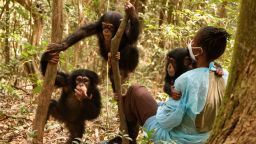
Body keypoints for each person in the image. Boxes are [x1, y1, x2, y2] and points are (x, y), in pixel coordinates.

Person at [106, 26, 230, 144]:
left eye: (193, 41)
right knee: (133, 98)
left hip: (173, 139)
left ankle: (127, 139)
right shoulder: (226, 75)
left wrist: (160, 107)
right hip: (205, 138)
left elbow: (167, 121)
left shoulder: (186, 79)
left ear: (198, 52)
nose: (190, 43)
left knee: (135, 91)